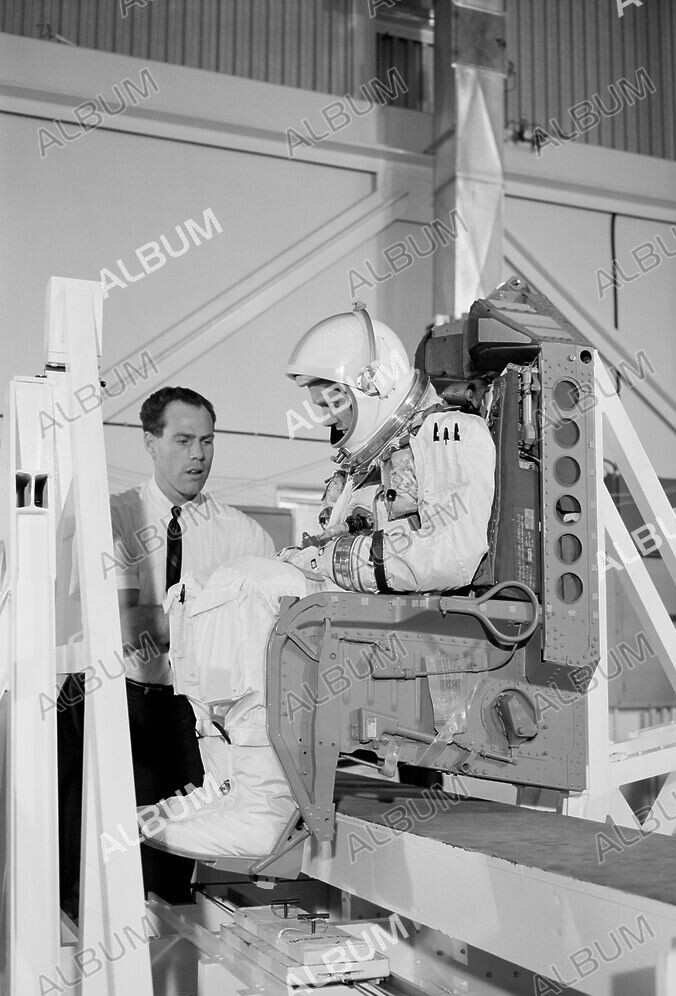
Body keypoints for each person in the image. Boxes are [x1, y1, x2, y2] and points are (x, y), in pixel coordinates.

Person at [142, 305, 496, 860]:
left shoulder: (448, 434)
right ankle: (230, 785)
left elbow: (451, 555)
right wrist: (316, 557)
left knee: (252, 588)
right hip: (359, 619)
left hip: (423, 627)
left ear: (373, 385)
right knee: (194, 595)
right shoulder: (359, 468)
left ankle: (268, 804)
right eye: (321, 399)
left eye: (335, 397)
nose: (326, 410)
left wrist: (326, 562)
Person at [57, 387, 277, 915]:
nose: (198, 455)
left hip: (185, 712)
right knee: (85, 857)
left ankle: (163, 969)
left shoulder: (243, 537)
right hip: (110, 698)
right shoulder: (115, 517)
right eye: (182, 440)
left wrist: (183, 621)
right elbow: (129, 628)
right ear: (150, 443)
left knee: (170, 867)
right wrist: (217, 619)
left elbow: (268, 634)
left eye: (206, 441)